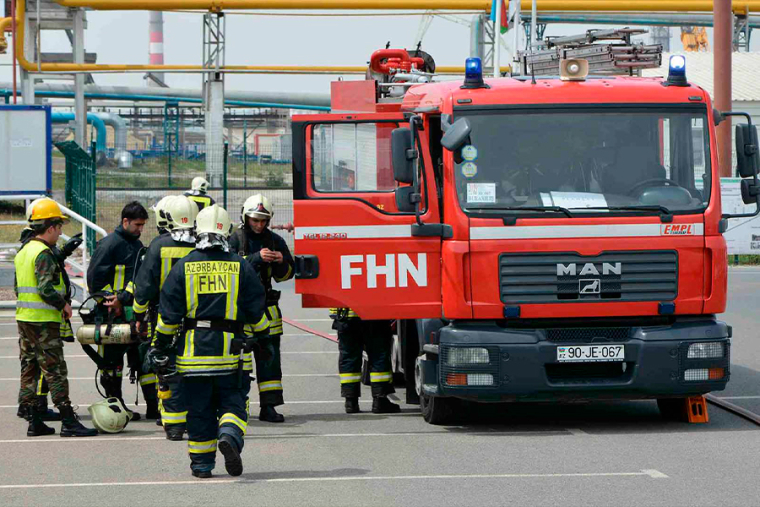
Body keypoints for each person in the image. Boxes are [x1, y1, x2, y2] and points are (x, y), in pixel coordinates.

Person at [149, 205, 270, 478]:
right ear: (226, 231)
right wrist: (265, 339)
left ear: (197, 231)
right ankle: (228, 434)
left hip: (192, 357)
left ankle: (202, 465)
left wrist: (159, 347)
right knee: (233, 402)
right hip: (230, 354)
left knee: (199, 412)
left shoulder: (183, 268)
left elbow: (168, 317)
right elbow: (255, 310)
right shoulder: (240, 266)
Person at [15, 198, 97, 437]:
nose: (60, 232)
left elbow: (20, 287)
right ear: (50, 228)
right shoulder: (42, 253)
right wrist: (63, 305)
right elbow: (45, 289)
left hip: (25, 319)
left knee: (29, 368)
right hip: (43, 321)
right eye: (59, 227)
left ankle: (33, 420)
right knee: (55, 370)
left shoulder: (24, 251)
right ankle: (68, 420)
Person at [133, 195, 198, 440]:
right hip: (197, 320)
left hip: (164, 318)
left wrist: (139, 316)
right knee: (194, 369)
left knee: (166, 368)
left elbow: (144, 287)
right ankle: (195, 417)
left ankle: (171, 422)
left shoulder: (158, 246)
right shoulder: (203, 243)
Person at [85, 201, 158, 421]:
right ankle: (116, 409)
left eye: (143, 225)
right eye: (137, 224)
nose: (140, 229)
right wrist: (113, 301)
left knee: (143, 362)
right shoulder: (108, 245)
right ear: (125, 221)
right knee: (112, 365)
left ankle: (153, 406)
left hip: (135, 314)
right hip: (113, 317)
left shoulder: (136, 246)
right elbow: (95, 283)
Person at [229, 194, 294, 423]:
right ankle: (239, 407)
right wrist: (255, 258)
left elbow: (287, 275)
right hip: (240, 312)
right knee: (240, 362)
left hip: (267, 310)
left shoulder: (275, 241)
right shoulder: (234, 239)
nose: (259, 225)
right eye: (255, 219)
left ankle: (269, 406)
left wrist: (280, 261)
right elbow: (228, 269)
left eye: (263, 220)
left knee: (269, 360)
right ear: (245, 217)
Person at [330, 310, 400, 415]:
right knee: (378, 356)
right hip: (375, 315)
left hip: (346, 316)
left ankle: (350, 402)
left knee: (349, 358)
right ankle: (380, 400)